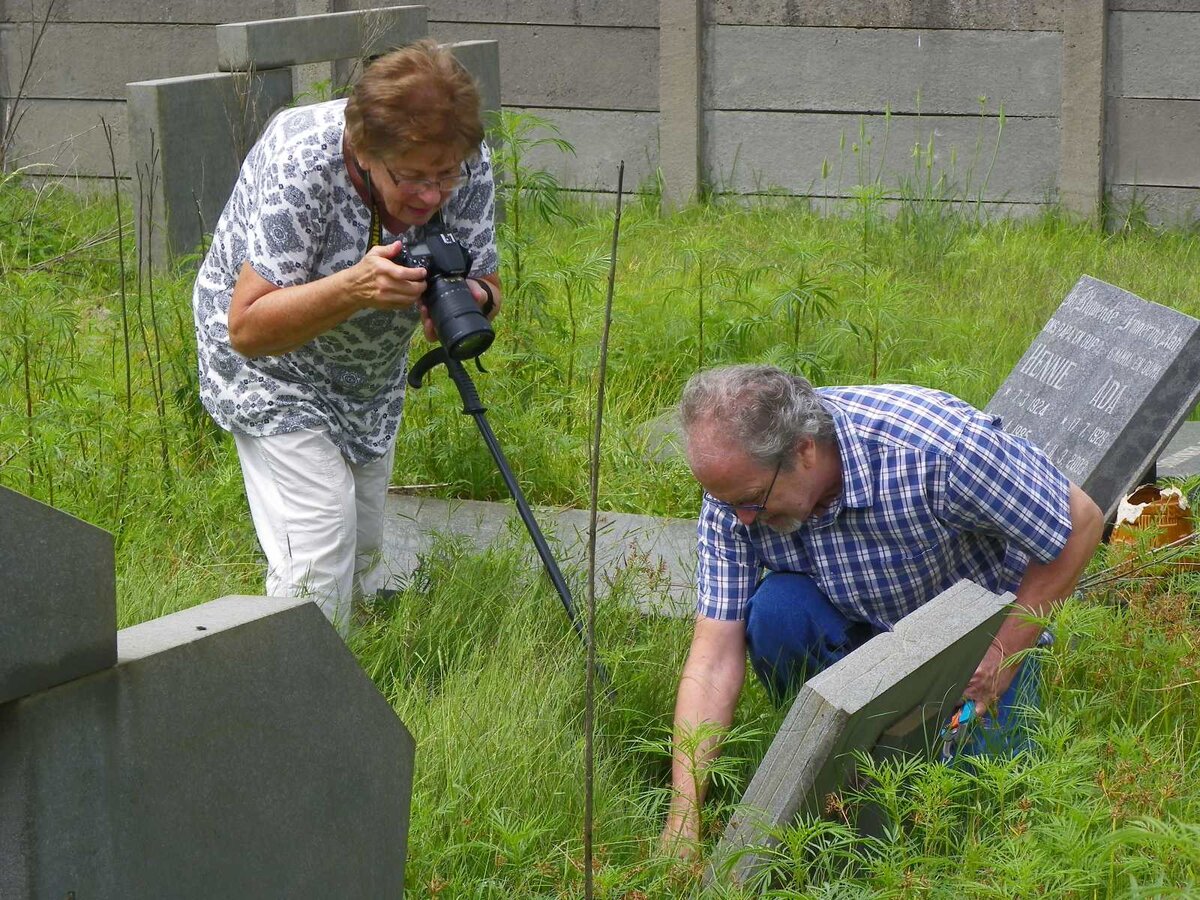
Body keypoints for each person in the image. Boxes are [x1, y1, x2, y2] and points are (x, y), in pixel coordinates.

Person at [660, 364, 1103, 853]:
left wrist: (1002, 654)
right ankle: (843, 769)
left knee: (979, 810)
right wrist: (684, 820)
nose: (742, 519)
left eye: (752, 502)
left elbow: (1080, 521)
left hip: (982, 643)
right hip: (866, 636)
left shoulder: (935, 449)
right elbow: (714, 655)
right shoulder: (735, 498)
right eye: (726, 503)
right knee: (777, 611)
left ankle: (913, 754)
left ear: (804, 451)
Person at [193, 41, 501, 634]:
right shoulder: (303, 160)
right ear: (363, 149)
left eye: (445, 176)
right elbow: (247, 327)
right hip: (268, 363)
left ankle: (347, 687)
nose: (432, 197)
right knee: (318, 542)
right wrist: (355, 287)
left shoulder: (465, 159)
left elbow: (485, 277)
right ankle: (296, 708)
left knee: (361, 544)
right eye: (410, 177)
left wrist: (472, 300)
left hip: (366, 369)